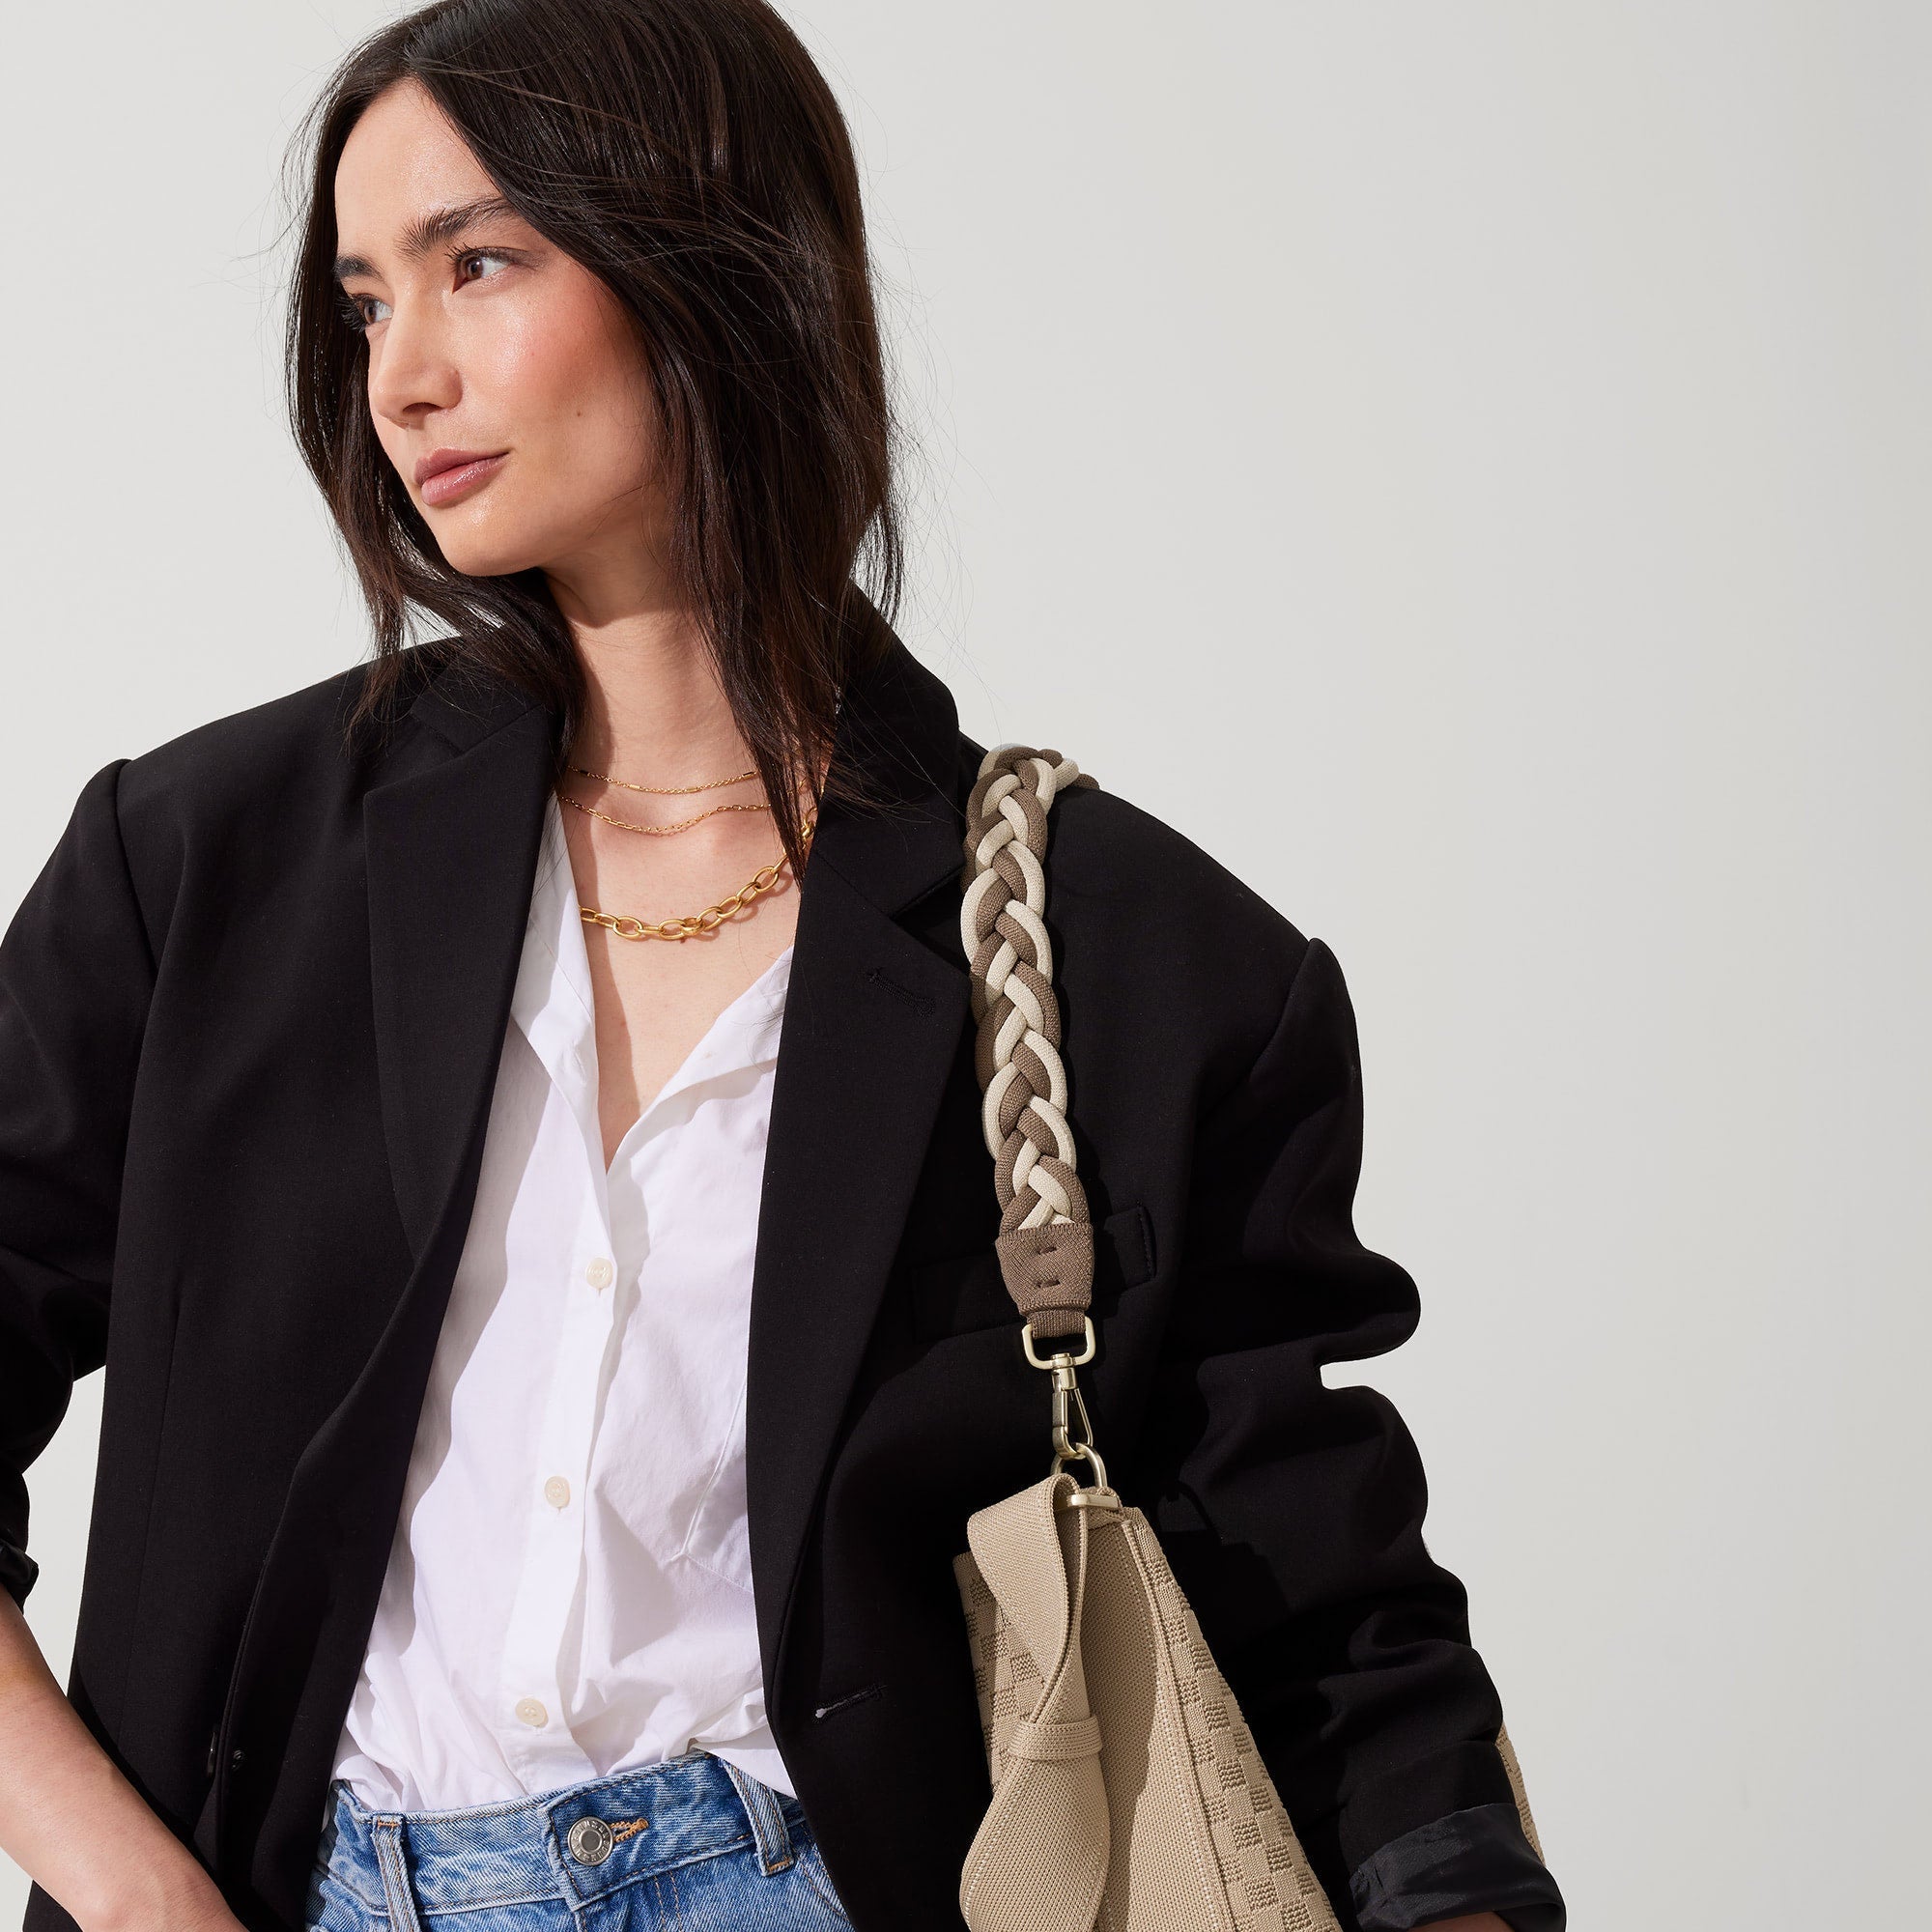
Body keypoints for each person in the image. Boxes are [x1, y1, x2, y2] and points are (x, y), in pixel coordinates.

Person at [0, 3, 1566, 1929]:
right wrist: (125, 1886)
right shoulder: (204, 868)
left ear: (716, 264)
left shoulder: (1130, 958)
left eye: (479, 262)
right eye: (362, 298)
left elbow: (1317, 1606)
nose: (402, 373)